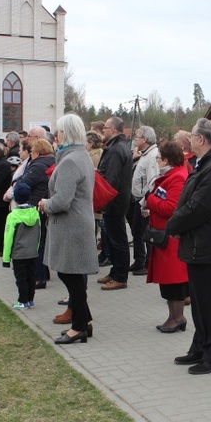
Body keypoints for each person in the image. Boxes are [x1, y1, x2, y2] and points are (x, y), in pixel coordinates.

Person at [166, 118, 211, 375]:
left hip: (206, 245)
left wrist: (173, 226)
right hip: (198, 244)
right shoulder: (206, 163)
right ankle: (200, 346)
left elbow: (199, 208)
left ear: (201, 139)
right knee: (199, 302)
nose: (190, 139)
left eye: (192, 136)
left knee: (209, 303)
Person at [39, 114, 99, 344]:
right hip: (75, 223)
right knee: (71, 275)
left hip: (71, 224)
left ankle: (79, 327)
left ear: (66, 133)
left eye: (58, 131)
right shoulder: (79, 155)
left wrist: (46, 205)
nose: (56, 135)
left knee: (70, 274)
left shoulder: (71, 160)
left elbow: (63, 200)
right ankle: (85, 321)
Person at [142, 141, 190, 333]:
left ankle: (178, 317)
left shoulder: (178, 177)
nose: (157, 161)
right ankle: (173, 317)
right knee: (168, 282)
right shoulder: (171, 175)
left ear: (167, 159)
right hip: (164, 236)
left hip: (171, 239)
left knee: (174, 281)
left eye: (159, 158)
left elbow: (171, 208)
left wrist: (150, 199)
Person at [96, 116, 133, 291]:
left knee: (118, 240)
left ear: (113, 130)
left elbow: (110, 179)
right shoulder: (117, 146)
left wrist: (104, 201)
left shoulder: (117, 149)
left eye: (104, 127)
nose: (102, 130)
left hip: (115, 201)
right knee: (113, 238)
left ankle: (120, 277)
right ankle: (115, 271)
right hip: (116, 199)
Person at [20, 138, 55, 289]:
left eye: (32, 152)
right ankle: (44, 272)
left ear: (38, 152)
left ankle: (39, 277)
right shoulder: (52, 161)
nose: (31, 155)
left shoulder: (38, 166)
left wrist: (16, 186)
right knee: (42, 241)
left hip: (36, 205)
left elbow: (24, 184)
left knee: (37, 242)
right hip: (45, 204)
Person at [3, 182, 41, 309]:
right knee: (31, 276)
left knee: (21, 278)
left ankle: (22, 300)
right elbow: (39, 233)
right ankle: (30, 299)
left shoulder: (13, 216)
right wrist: (36, 248)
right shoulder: (35, 213)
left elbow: (8, 238)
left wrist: (6, 259)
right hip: (32, 252)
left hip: (19, 253)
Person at [128, 126, 159, 276]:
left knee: (144, 233)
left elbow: (152, 180)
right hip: (138, 198)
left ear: (144, 139)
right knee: (136, 231)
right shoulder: (145, 154)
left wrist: (146, 203)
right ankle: (139, 260)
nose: (135, 139)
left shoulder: (153, 155)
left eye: (137, 136)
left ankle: (147, 263)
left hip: (143, 200)